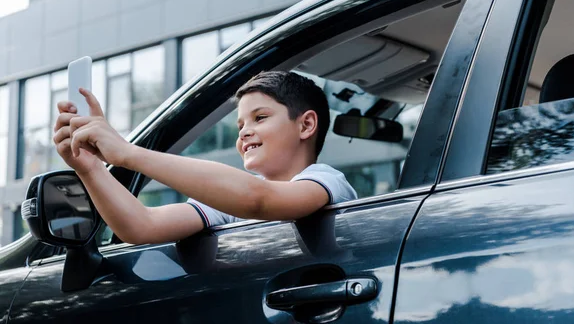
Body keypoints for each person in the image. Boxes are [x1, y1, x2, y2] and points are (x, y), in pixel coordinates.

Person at [53, 71, 357, 244]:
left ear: (305, 125)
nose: (244, 132)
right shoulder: (228, 202)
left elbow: (257, 199)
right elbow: (141, 226)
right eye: (240, 125)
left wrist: (128, 153)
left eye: (260, 117)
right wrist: (91, 168)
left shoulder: (327, 180)